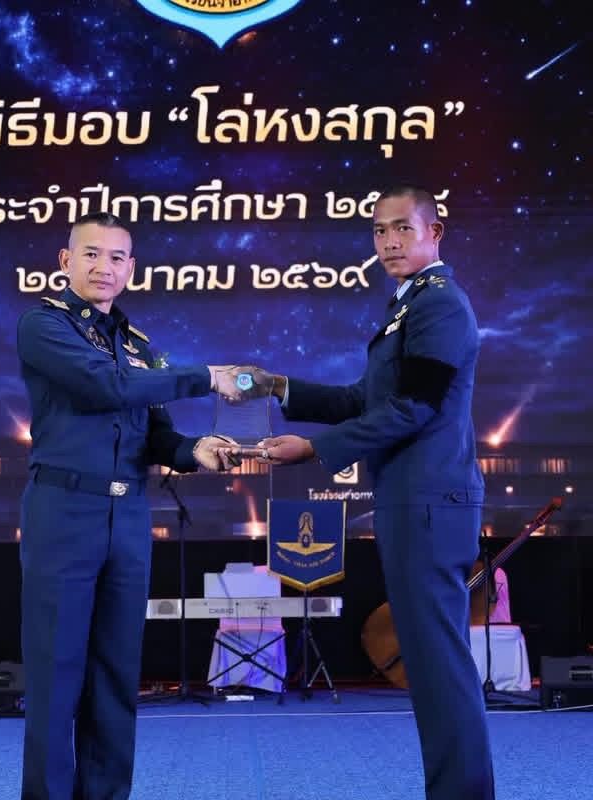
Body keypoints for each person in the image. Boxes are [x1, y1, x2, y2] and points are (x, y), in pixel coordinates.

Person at [251, 185, 493, 800]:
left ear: (435, 232)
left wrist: (314, 450)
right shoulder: (408, 305)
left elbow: (414, 408)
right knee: (431, 665)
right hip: (413, 500)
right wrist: (278, 387)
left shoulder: (439, 304)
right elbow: (365, 400)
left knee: (438, 666)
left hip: (429, 502)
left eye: (402, 228)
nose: (389, 241)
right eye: (379, 231)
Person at [15, 212, 243, 800]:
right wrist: (205, 377)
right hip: (64, 511)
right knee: (56, 673)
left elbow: (159, 438)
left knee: (117, 672)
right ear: (66, 261)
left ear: (131, 268)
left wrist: (197, 451)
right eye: (91, 254)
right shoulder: (44, 325)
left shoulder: (141, 346)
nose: (103, 267)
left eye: (116, 257)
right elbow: (105, 388)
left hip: (129, 518)